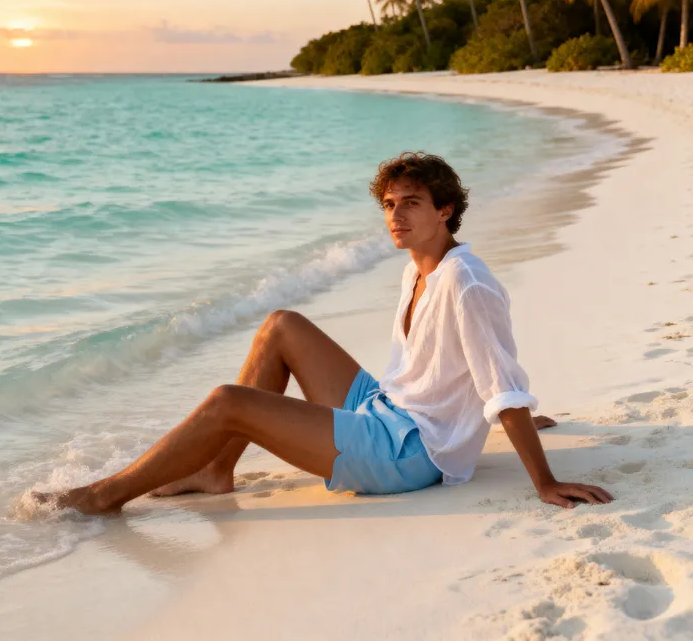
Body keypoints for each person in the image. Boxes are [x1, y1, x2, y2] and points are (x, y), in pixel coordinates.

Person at [36, 152, 612, 514]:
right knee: (280, 325)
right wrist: (477, 408)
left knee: (226, 401)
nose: (396, 216)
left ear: (446, 210)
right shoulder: (419, 265)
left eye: (411, 204)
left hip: (410, 453)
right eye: (389, 205)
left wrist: (544, 479)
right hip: (389, 410)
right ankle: (215, 469)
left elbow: (501, 381)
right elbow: (461, 372)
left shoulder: (467, 282)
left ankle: (103, 495)